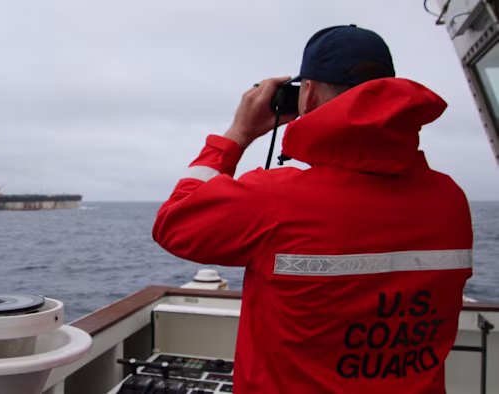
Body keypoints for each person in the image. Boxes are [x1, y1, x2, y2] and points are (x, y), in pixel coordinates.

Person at [153, 25, 473, 393]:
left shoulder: (275, 200)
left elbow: (173, 222)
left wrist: (237, 134)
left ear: (308, 94)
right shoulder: (450, 200)